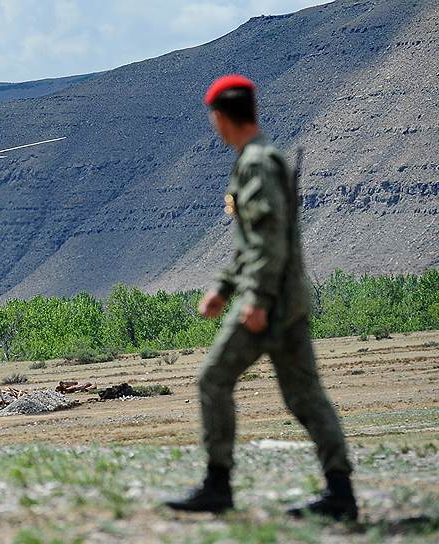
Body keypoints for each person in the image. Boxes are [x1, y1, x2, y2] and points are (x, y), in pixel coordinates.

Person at [164, 74, 358, 521]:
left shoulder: (256, 163)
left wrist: (255, 299)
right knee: (305, 399)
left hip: (269, 306)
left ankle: (217, 485)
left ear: (220, 116)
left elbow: (269, 239)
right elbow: (252, 243)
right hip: (286, 302)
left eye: (212, 117)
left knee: (213, 379)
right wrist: (222, 287)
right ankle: (341, 494)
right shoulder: (257, 160)